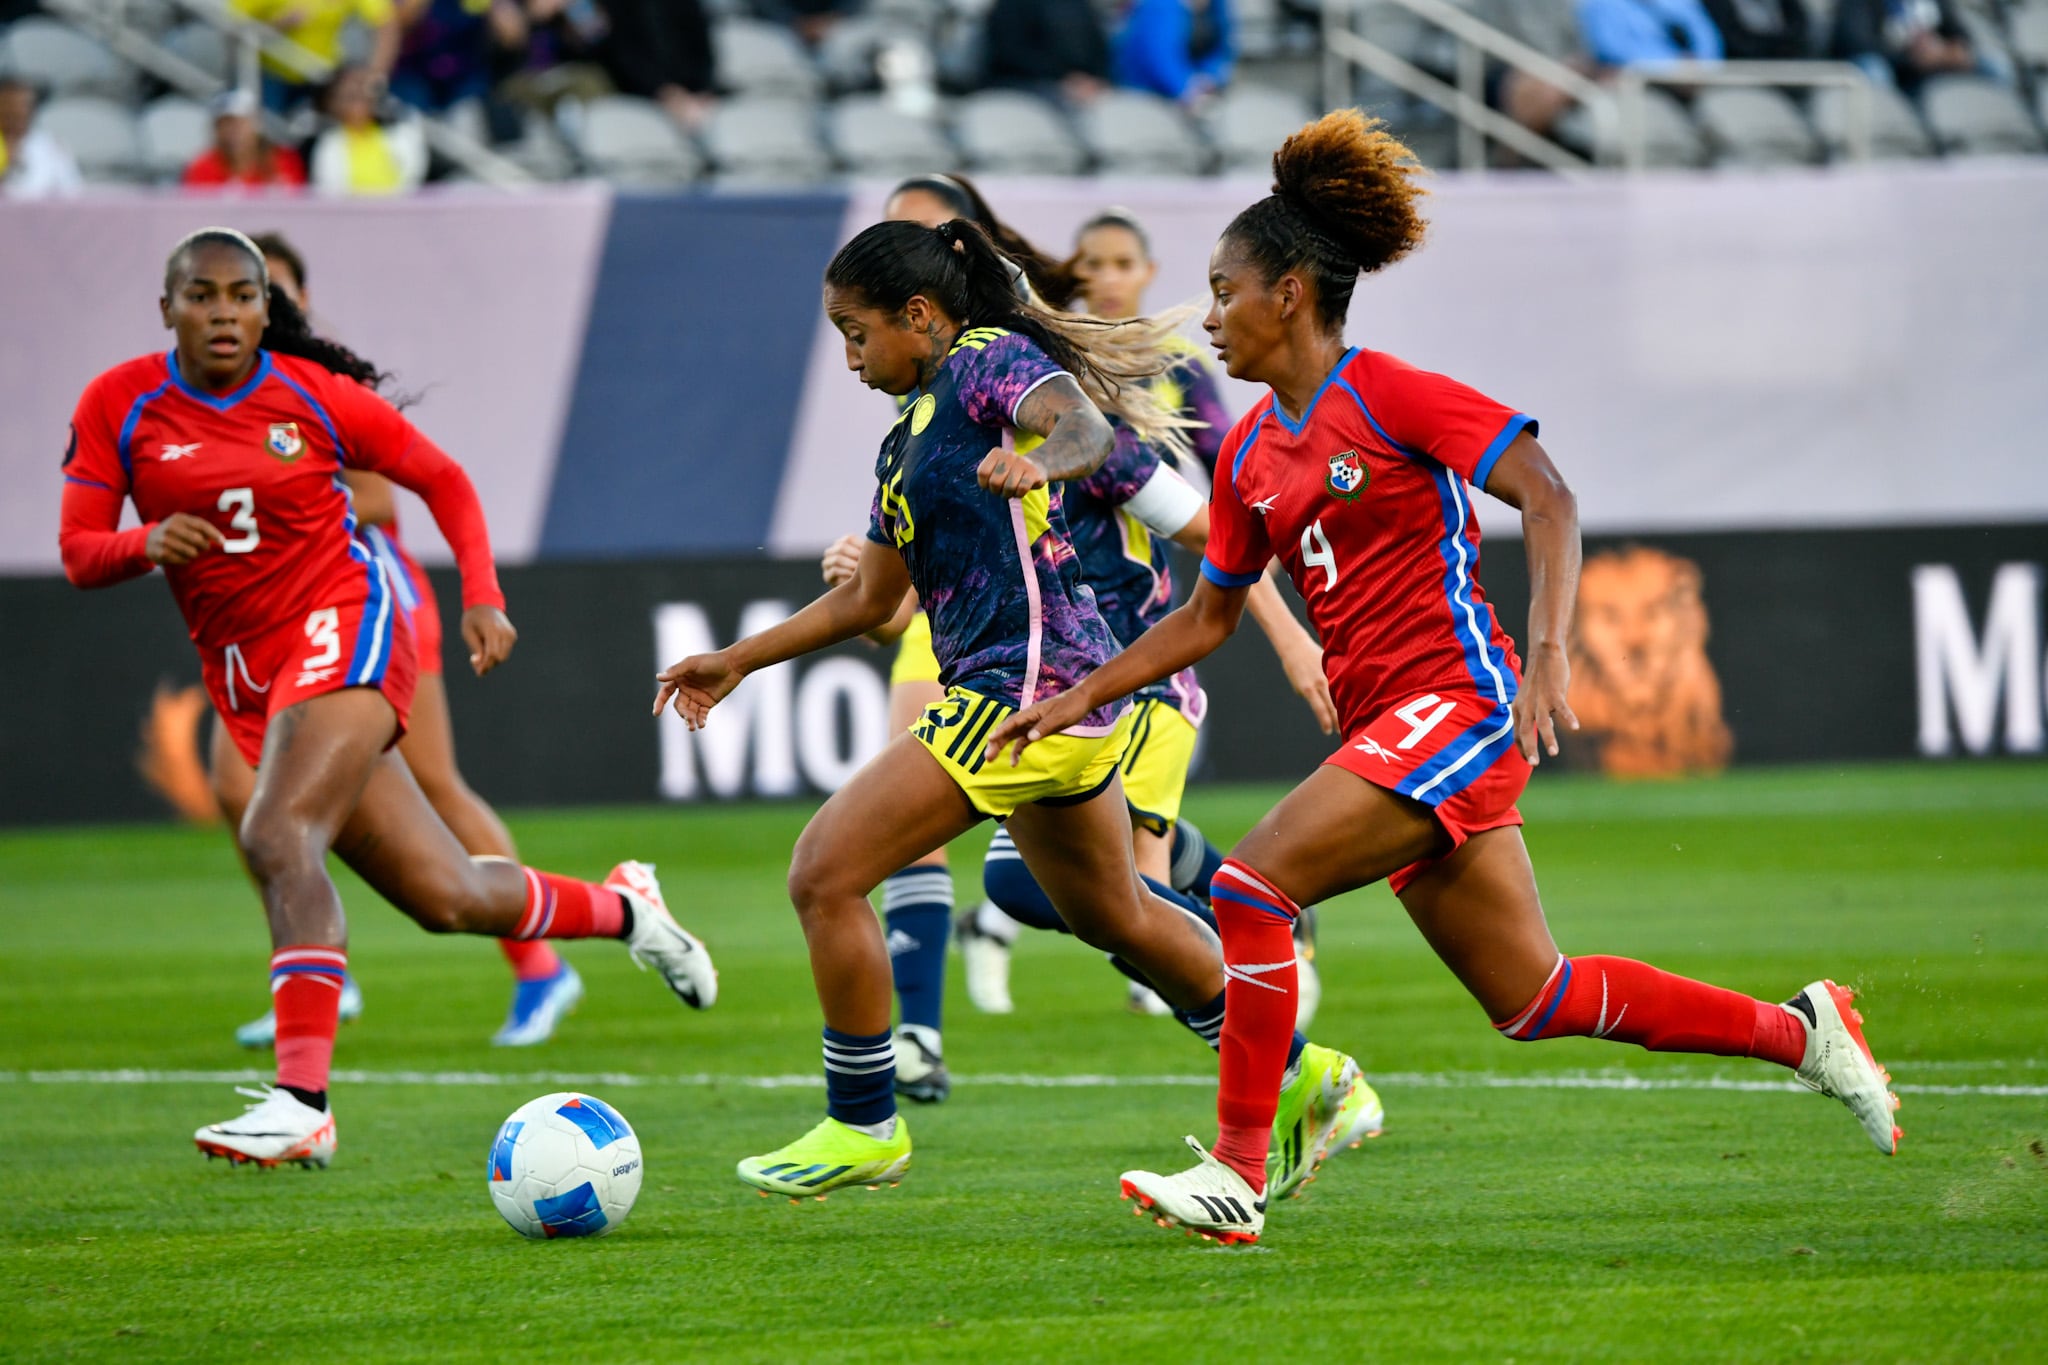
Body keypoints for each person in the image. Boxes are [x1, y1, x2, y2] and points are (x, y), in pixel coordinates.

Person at [984, 110, 1901, 1245]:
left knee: (1248, 889)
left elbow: (1547, 494)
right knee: (1533, 997)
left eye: (1224, 290)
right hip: (1386, 724)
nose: (1208, 316)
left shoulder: (1390, 393)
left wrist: (1548, 657)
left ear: (1290, 296)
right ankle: (1801, 1029)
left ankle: (1233, 1170)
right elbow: (1207, 615)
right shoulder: (1250, 455)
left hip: (1458, 705)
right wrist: (1083, 694)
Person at [656, 217, 1364, 1203]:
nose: (851, 357)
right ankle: (1307, 1072)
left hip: (1021, 694)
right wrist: (735, 660)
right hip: (1051, 700)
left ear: (918, 315)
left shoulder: (987, 361)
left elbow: (1083, 427)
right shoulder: (903, 441)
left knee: (823, 874)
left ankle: (862, 1123)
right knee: (1116, 914)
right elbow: (869, 600)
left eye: (855, 333)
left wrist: (1046, 460)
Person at [59, 227, 718, 1169]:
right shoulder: (119, 404)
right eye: (200, 295)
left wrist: (482, 593)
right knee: (447, 897)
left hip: (346, 621)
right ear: (167, 307)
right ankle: (628, 910)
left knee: (274, 831)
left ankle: (302, 1102)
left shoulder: (311, 397)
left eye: (240, 296)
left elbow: (441, 480)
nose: (222, 313)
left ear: (264, 308)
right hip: (246, 668)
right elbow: (81, 549)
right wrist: (144, 542)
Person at [964, 205, 1338, 1026]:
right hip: (1042, 683)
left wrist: (1291, 638)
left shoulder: (1096, 429)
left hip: (1131, 676)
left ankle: (1257, 973)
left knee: (1091, 892)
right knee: (1068, 886)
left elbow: (1225, 525)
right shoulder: (956, 432)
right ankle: (1253, 952)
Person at [216, 233, 584, 1051]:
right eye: (234, 292)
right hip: (275, 617)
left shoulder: (320, 383)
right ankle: (317, 965)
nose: (245, 309)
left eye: (264, 291)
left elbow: (380, 501)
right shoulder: (209, 399)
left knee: (436, 788)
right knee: (233, 781)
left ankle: (539, 964)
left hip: (368, 596)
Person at [230, 0, 404, 110]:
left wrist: (375, 75)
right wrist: (278, 25)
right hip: (270, 74)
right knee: (265, 133)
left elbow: (386, 25)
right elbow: (230, 29)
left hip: (323, 76)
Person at [308, 64, 428, 196]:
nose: (358, 102)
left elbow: (412, 176)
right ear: (333, 105)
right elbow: (329, 191)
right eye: (350, 97)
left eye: (361, 94)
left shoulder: (398, 131)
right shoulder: (328, 144)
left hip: (397, 209)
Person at [1830, 0, 1979, 93]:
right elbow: (1855, 42)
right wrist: (1911, 59)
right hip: (1895, 69)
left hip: (1937, 66)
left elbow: (1961, 35)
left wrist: (1948, 52)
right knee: (1874, 69)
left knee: (1991, 65)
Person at [982, 0, 1111, 106]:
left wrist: (1094, 79)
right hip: (1025, 82)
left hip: (1080, 82)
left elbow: (1098, 47)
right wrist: (1066, 78)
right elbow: (1011, 53)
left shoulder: (1079, 5)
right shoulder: (1011, 5)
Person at [1112, 0, 1236, 107]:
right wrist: (1186, 89)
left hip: (1192, 85)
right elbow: (1159, 58)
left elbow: (1220, 48)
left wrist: (1210, 78)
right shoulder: (1159, 5)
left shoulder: (1218, 5)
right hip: (1144, 91)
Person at [181, 89, 308, 189]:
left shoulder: (283, 161)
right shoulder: (202, 167)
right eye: (225, 124)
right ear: (216, 130)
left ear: (256, 125)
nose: (233, 131)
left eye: (241, 123)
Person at [0, 73, 83, 199]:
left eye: (23, 106)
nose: (16, 112)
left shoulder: (52, 147)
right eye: (8, 108)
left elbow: (73, 195)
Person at [1576, 0, 1723, 67]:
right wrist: (1674, 67)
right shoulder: (1601, 4)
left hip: (1700, 81)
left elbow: (1707, 38)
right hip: (1641, 85)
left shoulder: (1682, 3)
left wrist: (1699, 66)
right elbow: (1612, 49)